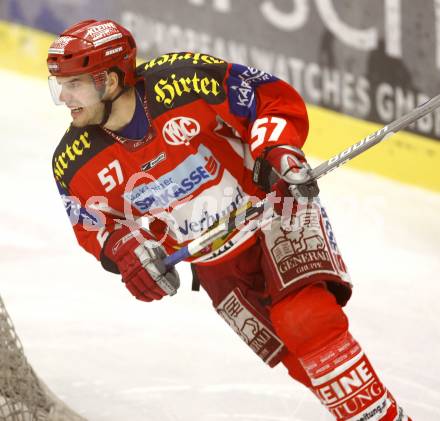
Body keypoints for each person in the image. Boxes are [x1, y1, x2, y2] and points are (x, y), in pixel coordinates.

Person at [47, 19, 410, 421]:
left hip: (274, 210)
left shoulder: (184, 81)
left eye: (74, 83)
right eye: (60, 83)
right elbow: (97, 228)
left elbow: (265, 97)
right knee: (300, 359)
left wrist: (277, 149)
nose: (63, 96)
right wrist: (129, 254)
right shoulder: (73, 161)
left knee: (305, 319)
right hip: (214, 259)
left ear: (110, 81)